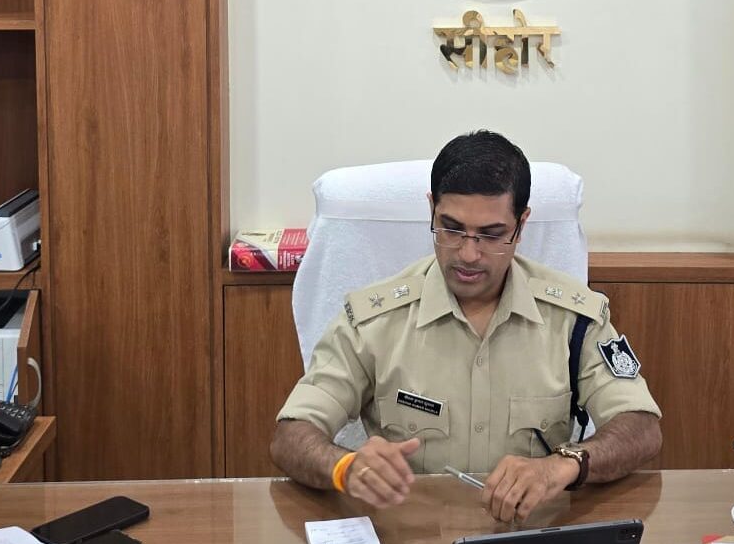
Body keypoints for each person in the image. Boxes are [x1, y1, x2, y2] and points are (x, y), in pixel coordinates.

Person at [270, 130, 662, 522]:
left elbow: (641, 427)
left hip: (531, 534)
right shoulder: (374, 321)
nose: (468, 254)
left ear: (521, 226)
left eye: (491, 235)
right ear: (431, 211)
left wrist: (564, 464)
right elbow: (292, 435)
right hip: (413, 536)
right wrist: (345, 466)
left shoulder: (574, 319)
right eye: (452, 228)